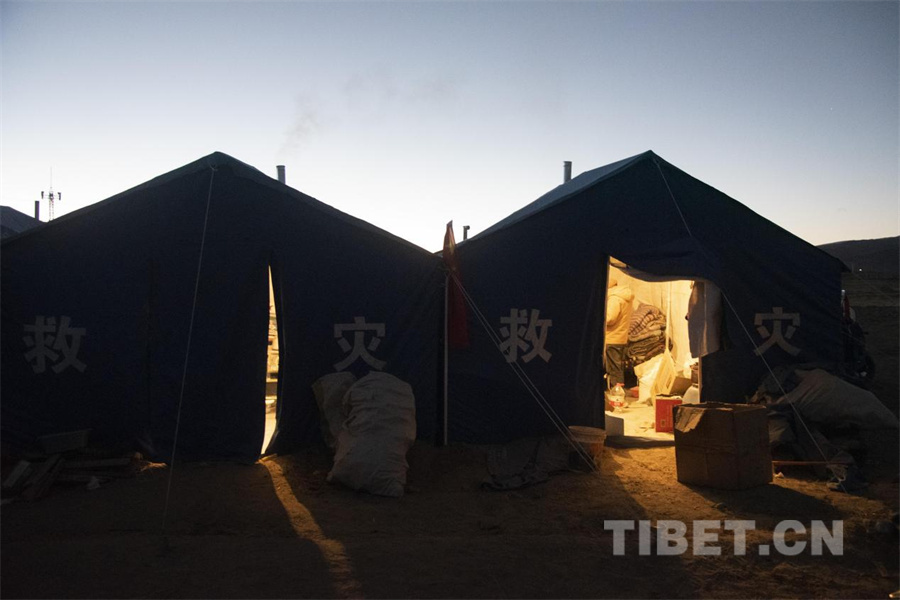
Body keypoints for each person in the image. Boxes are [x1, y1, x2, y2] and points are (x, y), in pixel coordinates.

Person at [605, 276, 634, 390]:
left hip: (612, 337)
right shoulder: (624, 297)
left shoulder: (614, 299)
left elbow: (610, 318)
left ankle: (617, 393)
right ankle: (618, 391)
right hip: (620, 336)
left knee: (614, 368)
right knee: (617, 367)